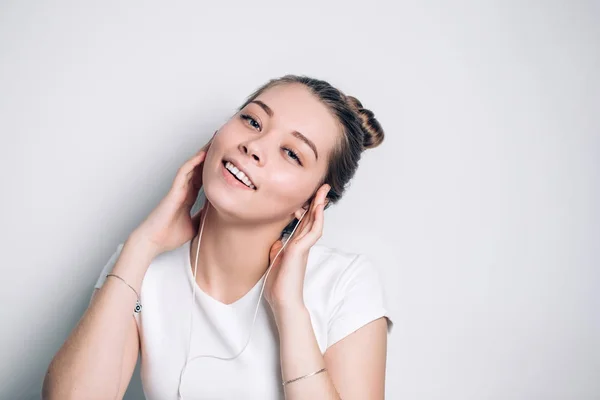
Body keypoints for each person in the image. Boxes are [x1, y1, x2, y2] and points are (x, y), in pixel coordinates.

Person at [42, 74, 394, 400]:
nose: (254, 146)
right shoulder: (140, 267)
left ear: (312, 202)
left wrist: (289, 309)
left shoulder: (344, 283)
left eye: (291, 153)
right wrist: (143, 244)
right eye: (253, 121)